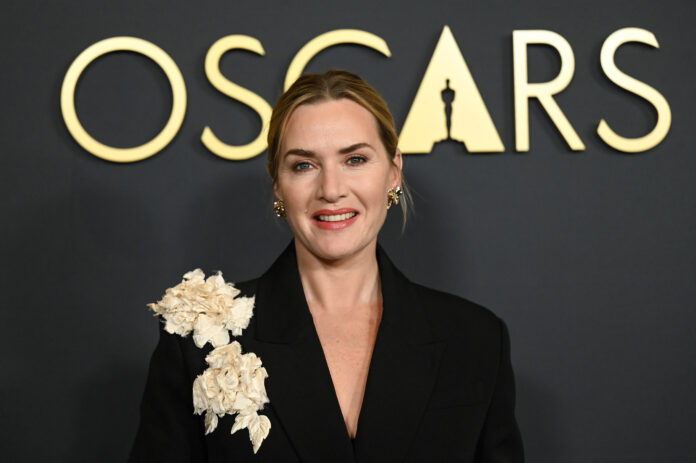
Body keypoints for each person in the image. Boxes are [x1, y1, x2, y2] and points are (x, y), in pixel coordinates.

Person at [129, 70, 524, 462]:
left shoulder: (474, 341)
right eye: (304, 165)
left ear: (393, 171)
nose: (331, 189)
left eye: (355, 159)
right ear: (277, 185)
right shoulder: (201, 339)